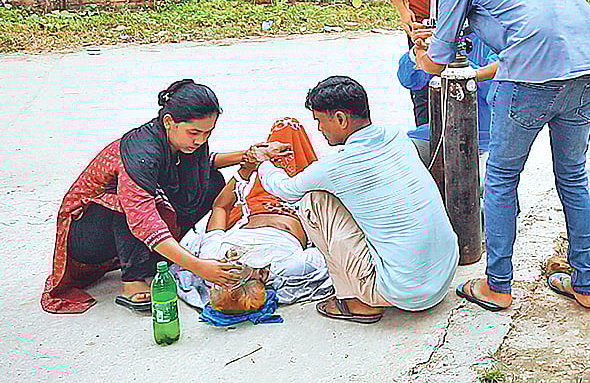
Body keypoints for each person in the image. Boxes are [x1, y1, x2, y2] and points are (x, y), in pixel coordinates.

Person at [412, 0, 590, 311]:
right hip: (588, 72)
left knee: (501, 178)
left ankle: (498, 285)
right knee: (572, 176)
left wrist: (424, 54)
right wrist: (474, 70)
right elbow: (535, 39)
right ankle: (586, 283)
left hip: (533, 84)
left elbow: (436, 61)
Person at [250, 76, 459, 323]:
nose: (319, 129)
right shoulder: (395, 136)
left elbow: (285, 189)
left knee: (313, 201)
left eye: (320, 121)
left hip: (405, 292)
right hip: (443, 277)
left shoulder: (337, 166)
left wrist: (262, 162)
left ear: (340, 119)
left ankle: (354, 301)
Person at [42, 80, 245, 314]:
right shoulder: (139, 153)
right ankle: (133, 281)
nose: (200, 140)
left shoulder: (181, 143)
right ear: (169, 122)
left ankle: (171, 253)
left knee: (210, 181)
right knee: (126, 203)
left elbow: (201, 165)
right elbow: (142, 219)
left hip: (128, 228)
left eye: (207, 133)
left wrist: (248, 155)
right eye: (194, 133)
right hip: (88, 237)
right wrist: (199, 268)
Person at [181, 118, 332, 306]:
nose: (233, 261)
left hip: (254, 205)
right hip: (298, 205)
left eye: (223, 278)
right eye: (235, 273)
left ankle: (268, 157)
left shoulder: (213, 261)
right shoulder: (288, 267)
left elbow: (220, 207)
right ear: (262, 276)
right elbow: (331, 247)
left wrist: (246, 169)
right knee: (291, 132)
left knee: (282, 133)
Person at [396, 31, 498, 166]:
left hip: (484, 138)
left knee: (486, 183)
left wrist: (450, 65)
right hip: (437, 133)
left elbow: (492, 87)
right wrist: (418, 52)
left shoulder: (497, 36)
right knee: (395, 158)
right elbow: (410, 81)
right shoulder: (445, 37)